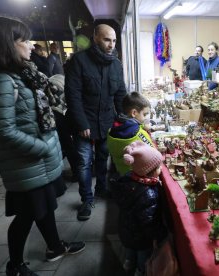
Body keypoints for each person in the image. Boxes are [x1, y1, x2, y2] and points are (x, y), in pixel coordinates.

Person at [0, 16, 85, 276]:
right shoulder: (1, 81)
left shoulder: (22, 72)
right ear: (7, 44)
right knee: (26, 216)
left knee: (44, 207)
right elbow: (3, 131)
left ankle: (54, 247)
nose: (31, 45)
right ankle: (15, 266)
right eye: (24, 40)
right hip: (25, 162)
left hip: (35, 161)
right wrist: (42, 147)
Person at [65, 24, 127, 221]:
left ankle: (101, 189)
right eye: (107, 40)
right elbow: (72, 96)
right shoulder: (79, 61)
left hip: (107, 121)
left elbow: (120, 94)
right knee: (84, 162)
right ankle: (86, 199)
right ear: (95, 38)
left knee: (102, 157)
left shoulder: (116, 64)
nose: (111, 45)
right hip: (85, 122)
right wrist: (82, 123)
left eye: (114, 40)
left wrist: (125, 118)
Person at [111, 141, 167, 275]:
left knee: (130, 250)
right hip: (142, 238)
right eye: (158, 166)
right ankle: (141, 271)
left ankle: (129, 263)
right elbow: (148, 222)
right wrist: (159, 236)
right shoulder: (148, 194)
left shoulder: (127, 180)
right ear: (148, 171)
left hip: (126, 231)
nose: (161, 169)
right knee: (143, 257)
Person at [107, 91, 153, 177]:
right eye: (145, 114)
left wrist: (141, 125)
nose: (145, 118)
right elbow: (153, 154)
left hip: (120, 174)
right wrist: (146, 132)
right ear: (134, 113)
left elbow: (128, 126)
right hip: (137, 176)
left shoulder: (112, 130)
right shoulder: (139, 134)